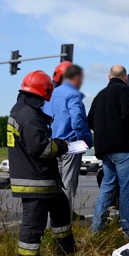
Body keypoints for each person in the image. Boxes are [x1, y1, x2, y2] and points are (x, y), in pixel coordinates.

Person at [8, 70, 76, 256]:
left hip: (43, 178)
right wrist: (62, 146)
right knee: (34, 223)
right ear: (44, 90)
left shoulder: (23, 109)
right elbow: (41, 148)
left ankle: (65, 249)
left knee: (61, 210)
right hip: (35, 180)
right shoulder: (28, 115)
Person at [88, 65, 129, 237]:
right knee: (127, 191)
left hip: (105, 150)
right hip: (123, 149)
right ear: (126, 78)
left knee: (107, 187)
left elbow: (90, 121)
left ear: (108, 77)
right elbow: (128, 114)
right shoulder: (125, 90)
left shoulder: (99, 95)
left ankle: (96, 228)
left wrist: (104, 131)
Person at [44, 63, 91, 216]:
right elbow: (77, 120)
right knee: (68, 185)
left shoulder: (50, 94)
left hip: (52, 144)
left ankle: (57, 218)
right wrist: (85, 141)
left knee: (56, 185)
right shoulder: (72, 94)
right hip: (70, 145)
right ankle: (65, 221)